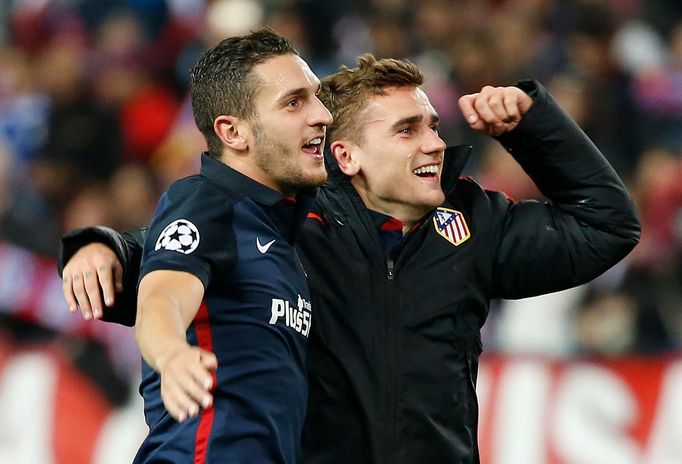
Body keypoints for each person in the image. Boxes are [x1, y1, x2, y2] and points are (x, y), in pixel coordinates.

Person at [60, 55, 640, 463]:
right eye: (408, 130)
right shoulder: (295, 220)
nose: (436, 144)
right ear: (347, 153)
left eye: (433, 126)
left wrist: (534, 128)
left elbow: (608, 226)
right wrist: (105, 246)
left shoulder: (478, 224)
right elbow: (181, 248)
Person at [80, 28, 333, 463]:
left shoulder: (282, 231)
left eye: (315, 96)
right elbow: (161, 297)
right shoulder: (206, 202)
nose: (323, 115)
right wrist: (173, 354)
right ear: (233, 132)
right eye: (294, 102)